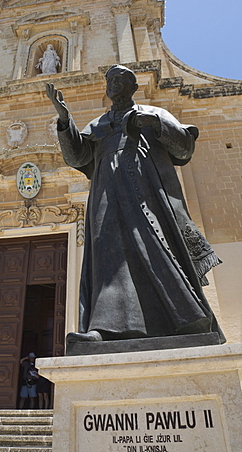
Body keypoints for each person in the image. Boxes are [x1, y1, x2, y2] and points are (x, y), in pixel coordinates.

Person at [45, 64, 225, 344]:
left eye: (119, 80)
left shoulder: (155, 114)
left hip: (146, 194)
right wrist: (64, 121)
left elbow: (184, 148)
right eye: (109, 81)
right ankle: (105, 328)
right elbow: (78, 157)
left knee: (155, 247)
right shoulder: (99, 124)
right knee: (108, 257)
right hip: (106, 195)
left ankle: (188, 319)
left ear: (132, 86)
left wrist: (154, 124)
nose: (113, 85)